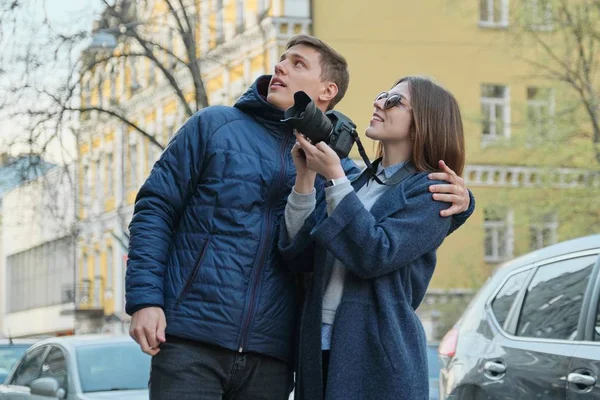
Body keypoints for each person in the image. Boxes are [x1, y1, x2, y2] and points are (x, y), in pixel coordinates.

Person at [125, 34, 472, 400]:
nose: (280, 67)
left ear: (327, 91)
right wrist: (145, 299)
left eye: (298, 64)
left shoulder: (343, 173)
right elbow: (155, 208)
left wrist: (465, 202)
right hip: (195, 338)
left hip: (276, 353)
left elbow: (386, 235)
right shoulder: (214, 126)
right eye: (282, 59)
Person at [279, 75, 474, 400]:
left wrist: (336, 179)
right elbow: (297, 256)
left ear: (422, 122)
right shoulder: (356, 184)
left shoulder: (433, 192)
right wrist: (305, 179)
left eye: (395, 100)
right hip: (319, 348)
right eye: (382, 94)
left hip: (378, 359)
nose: (378, 102)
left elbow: (376, 254)